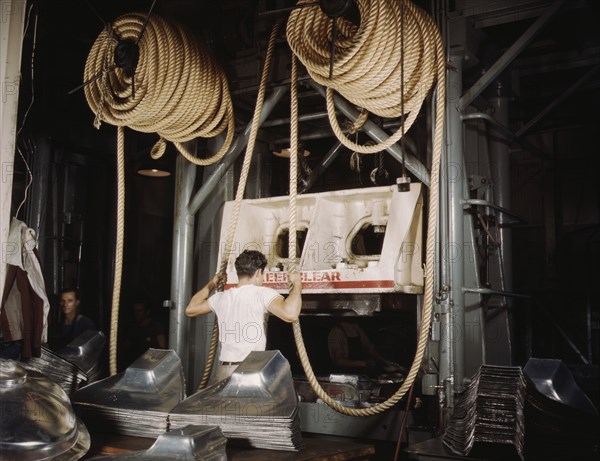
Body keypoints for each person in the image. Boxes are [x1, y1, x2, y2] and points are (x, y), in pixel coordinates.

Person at [186, 250, 302, 383]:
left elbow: (191, 309)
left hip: (224, 371)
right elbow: (291, 314)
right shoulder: (262, 293)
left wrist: (213, 282)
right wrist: (297, 284)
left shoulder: (221, 297)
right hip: (248, 371)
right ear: (258, 272)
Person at [328, 319, 402, 376]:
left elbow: (369, 348)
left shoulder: (355, 328)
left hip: (359, 375)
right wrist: (364, 363)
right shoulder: (337, 331)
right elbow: (339, 361)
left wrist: (384, 362)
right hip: (343, 377)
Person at [123, 301, 167, 365]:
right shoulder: (132, 327)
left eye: (140, 311)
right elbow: (126, 347)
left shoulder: (156, 326)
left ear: (147, 312)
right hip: (135, 364)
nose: (137, 313)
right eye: (135, 311)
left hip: (152, 364)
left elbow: (163, 349)